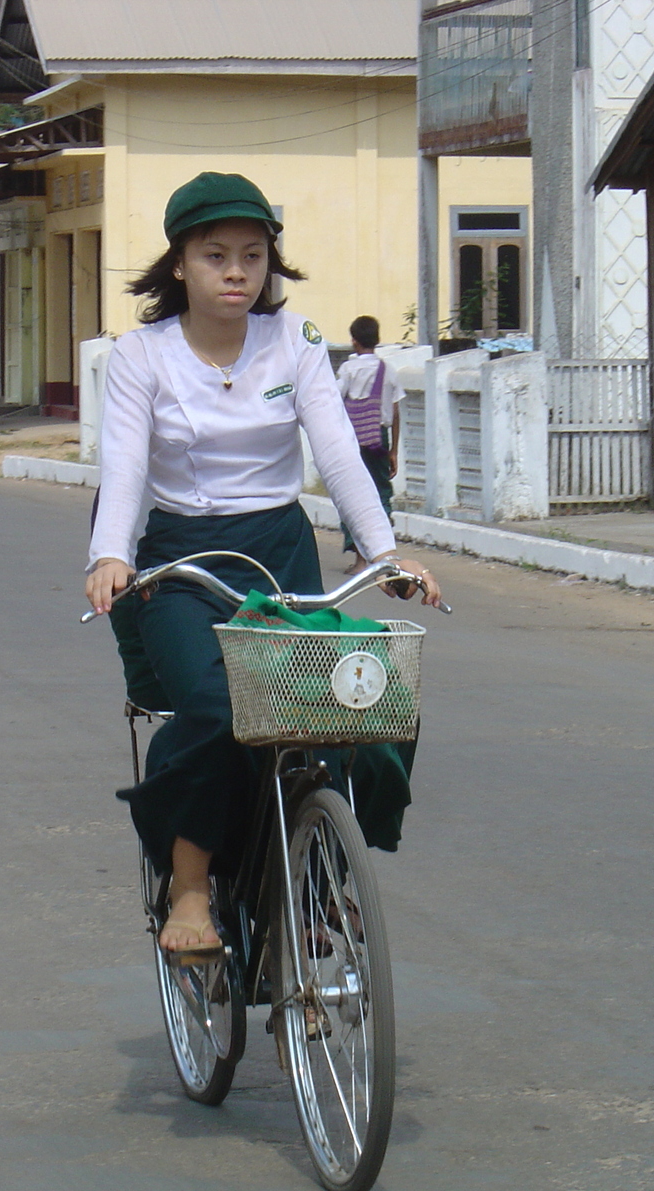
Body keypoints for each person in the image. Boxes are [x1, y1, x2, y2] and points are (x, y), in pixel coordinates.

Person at [84, 173, 443, 955]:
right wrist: (110, 554)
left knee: (339, 707)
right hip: (182, 562)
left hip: (280, 552)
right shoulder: (141, 356)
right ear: (180, 263)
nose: (238, 271)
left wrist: (383, 553)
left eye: (253, 255)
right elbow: (125, 470)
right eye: (216, 255)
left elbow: (340, 455)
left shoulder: (298, 342)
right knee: (216, 712)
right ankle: (189, 889)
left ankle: (314, 884)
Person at [337, 315, 404, 574]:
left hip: (352, 440)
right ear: (377, 339)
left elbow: (334, 401)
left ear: (354, 341)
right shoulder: (388, 370)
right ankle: (383, 554)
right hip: (379, 439)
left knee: (351, 492)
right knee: (380, 493)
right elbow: (395, 413)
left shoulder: (348, 369)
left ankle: (360, 560)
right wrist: (394, 451)